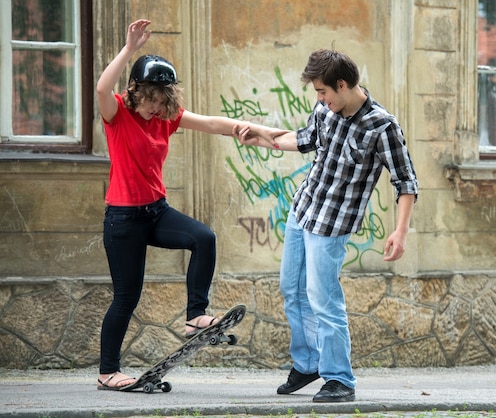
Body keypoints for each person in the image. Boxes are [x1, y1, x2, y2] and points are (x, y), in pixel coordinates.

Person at [96, 19, 283, 390]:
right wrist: (130, 48)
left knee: (204, 237)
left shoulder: (166, 119)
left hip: (156, 211)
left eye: (162, 100)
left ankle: (195, 315)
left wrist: (254, 130)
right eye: (150, 99)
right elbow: (102, 86)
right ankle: (107, 372)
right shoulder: (116, 115)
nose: (156, 106)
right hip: (123, 220)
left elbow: (213, 123)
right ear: (135, 91)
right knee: (126, 297)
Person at [235, 49, 418, 402]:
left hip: (332, 224)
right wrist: (261, 137)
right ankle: (308, 364)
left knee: (324, 299)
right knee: (293, 291)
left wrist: (400, 231)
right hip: (303, 211)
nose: (319, 100)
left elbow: (406, 181)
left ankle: (339, 379)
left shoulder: (381, 126)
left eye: (323, 92)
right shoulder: (325, 111)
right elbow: (303, 140)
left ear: (343, 85)